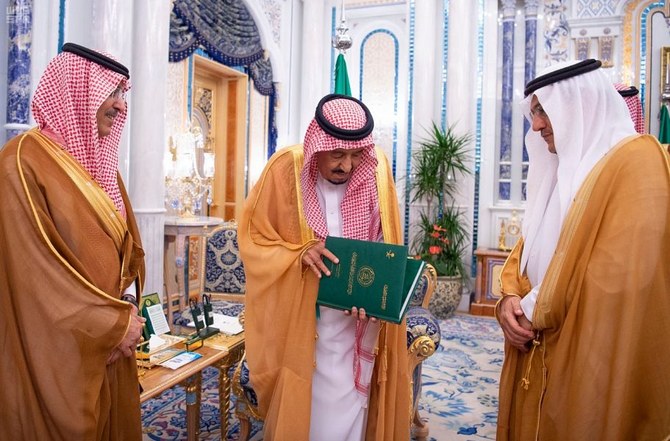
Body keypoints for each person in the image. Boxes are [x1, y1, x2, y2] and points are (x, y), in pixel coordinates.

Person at [495, 58, 670, 440]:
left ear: (579, 104)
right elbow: (528, 247)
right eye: (534, 112)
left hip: (586, 350)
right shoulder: (561, 167)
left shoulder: (637, 161)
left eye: (544, 111)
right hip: (532, 346)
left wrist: (532, 308)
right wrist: (509, 297)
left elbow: (621, 276)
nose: (536, 125)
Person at [238, 94, 411, 440]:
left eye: (356, 155)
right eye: (337, 154)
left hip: (355, 324)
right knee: (306, 411)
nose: (347, 165)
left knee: (352, 405)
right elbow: (253, 238)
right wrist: (297, 255)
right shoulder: (285, 168)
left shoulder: (376, 172)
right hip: (301, 322)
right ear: (318, 144)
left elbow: (385, 242)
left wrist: (376, 297)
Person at [0, 43, 146, 440]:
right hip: (59, 351)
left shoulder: (101, 169)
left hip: (113, 341)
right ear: (76, 90)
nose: (120, 105)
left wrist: (126, 307)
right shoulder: (22, 162)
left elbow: (126, 250)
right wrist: (110, 324)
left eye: (122, 93)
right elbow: (33, 277)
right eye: (111, 92)